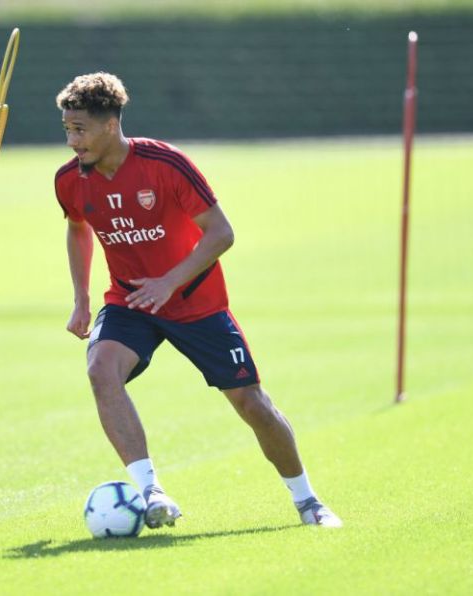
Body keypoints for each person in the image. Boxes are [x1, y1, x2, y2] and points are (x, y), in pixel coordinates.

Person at [54, 72, 342, 529]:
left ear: (110, 126)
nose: (72, 140)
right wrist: (81, 300)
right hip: (130, 303)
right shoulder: (70, 180)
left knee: (252, 404)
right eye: (67, 129)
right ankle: (151, 491)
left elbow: (221, 233)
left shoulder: (165, 165)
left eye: (79, 129)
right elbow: (76, 229)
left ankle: (307, 500)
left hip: (196, 303)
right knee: (100, 369)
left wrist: (169, 283)